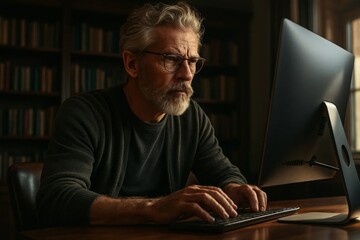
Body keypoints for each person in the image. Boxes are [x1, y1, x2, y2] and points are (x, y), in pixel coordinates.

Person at [36, 1, 267, 227]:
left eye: (193, 61)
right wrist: (154, 209)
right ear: (132, 64)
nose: (186, 74)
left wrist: (234, 188)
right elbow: (57, 199)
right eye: (171, 59)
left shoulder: (191, 117)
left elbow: (223, 172)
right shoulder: (84, 113)